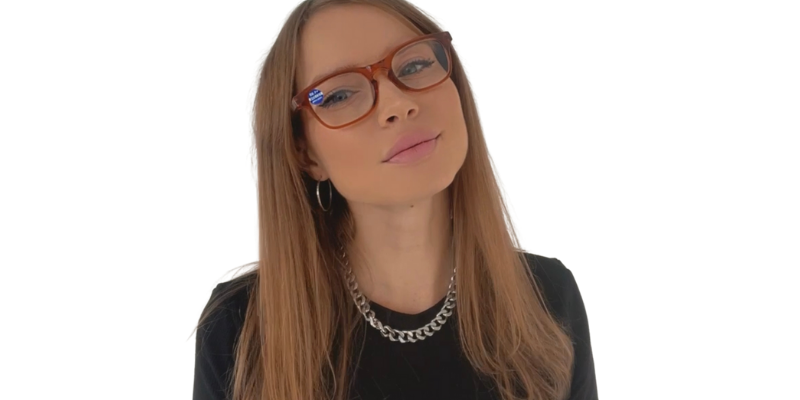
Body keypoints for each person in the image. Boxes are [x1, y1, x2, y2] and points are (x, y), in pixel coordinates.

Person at [192, 0, 598, 399]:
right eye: (338, 95)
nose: (398, 105)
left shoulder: (546, 297)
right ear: (305, 153)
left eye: (415, 65)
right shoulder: (239, 327)